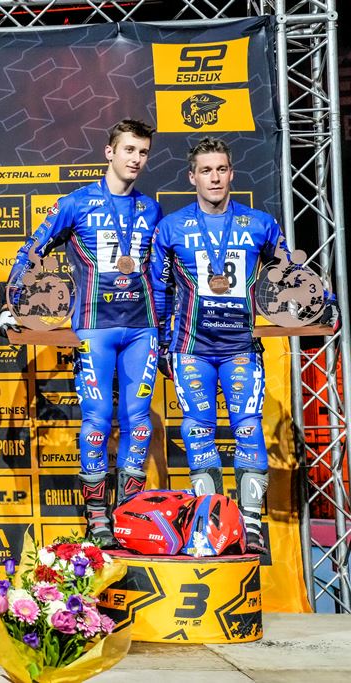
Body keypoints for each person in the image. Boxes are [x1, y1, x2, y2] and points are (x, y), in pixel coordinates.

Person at [150, 136, 321, 554]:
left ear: (232, 174)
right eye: (206, 170)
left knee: (247, 427)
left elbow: (290, 274)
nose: (214, 178)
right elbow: (158, 292)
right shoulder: (171, 227)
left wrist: (323, 300)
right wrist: (161, 346)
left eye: (221, 169)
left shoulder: (260, 224)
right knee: (197, 430)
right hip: (191, 348)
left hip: (241, 347)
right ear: (192, 177)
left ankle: (250, 525)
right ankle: (211, 522)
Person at [0, 119, 163, 545]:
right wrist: (12, 301)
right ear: (110, 152)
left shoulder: (151, 209)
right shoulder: (76, 203)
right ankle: (98, 519)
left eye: (143, 152)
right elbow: (32, 248)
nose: (136, 159)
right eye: (129, 150)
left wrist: (166, 328)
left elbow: (164, 275)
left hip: (142, 329)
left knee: (138, 421)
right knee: (96, 419)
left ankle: (129, 514)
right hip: (94, 327)